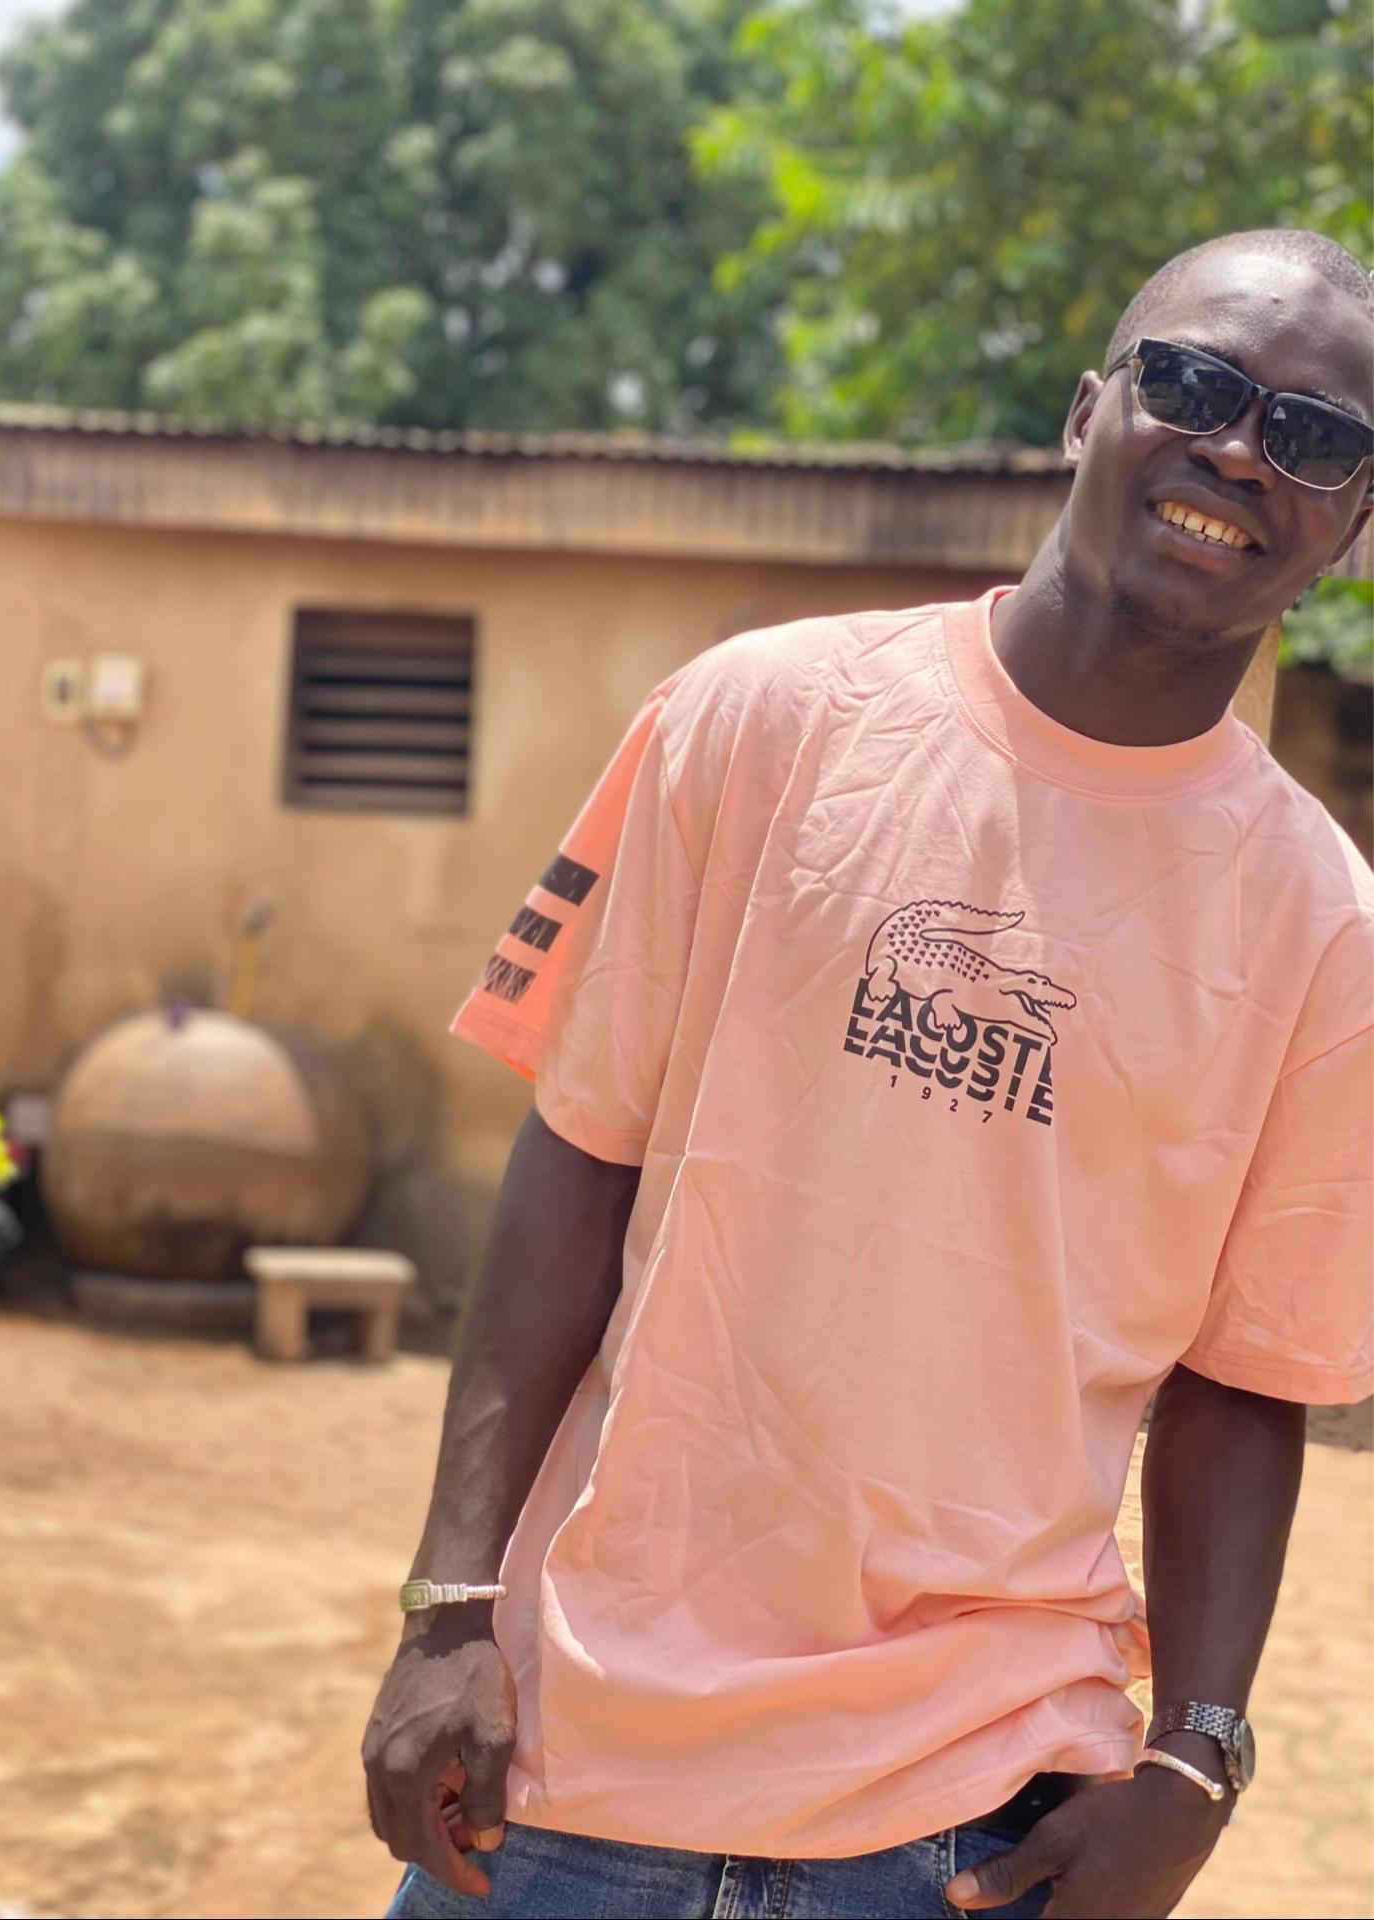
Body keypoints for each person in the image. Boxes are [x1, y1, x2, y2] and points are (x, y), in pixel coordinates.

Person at [363, 229, 1374, 1920]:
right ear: (1089, 409)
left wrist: (1195, 1767)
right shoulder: (755, 719)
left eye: (1317, 438)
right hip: (573, 1762)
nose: (1238, 453)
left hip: (972, 1817)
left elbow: (1247, 1377)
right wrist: (448, 1605)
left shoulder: (1325, 929)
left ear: (1353, 527)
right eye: (1194, 385)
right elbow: (578, 1157)